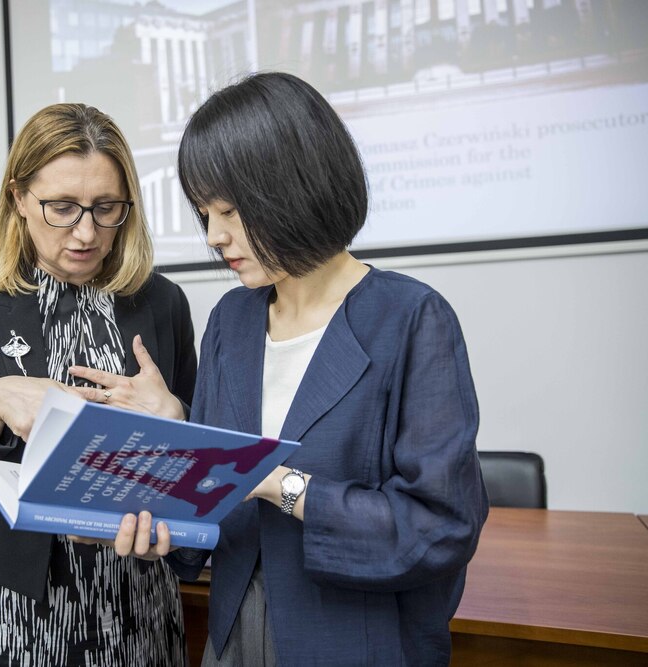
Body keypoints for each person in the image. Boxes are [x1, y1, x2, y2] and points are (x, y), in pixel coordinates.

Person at [83, 72, 489, 665]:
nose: (216, 236)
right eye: (204, 214)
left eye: (230, 210)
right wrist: (175, 441)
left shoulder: (411, 318)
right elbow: (216, 510)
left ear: (293, 188)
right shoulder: (232, 320)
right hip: (232, 639)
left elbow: (440, 528)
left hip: (355, 643)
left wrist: (277, 481)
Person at [0, 102, 197, 666]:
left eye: (107, 209)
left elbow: (196, 485)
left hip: (131, 612)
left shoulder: (163, 303)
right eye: (61, 208)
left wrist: (175, 418)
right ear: (18, 199)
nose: (86, 232)